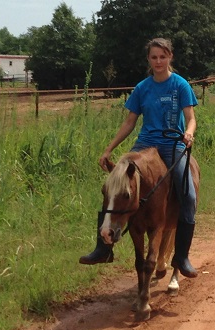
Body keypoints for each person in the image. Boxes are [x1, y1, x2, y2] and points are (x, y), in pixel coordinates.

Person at [79, 37, 198, 278]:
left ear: (170, 58)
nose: (158, 61)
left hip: (172, 143)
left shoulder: (180, 85)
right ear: (148, 59)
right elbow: (130, 122)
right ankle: (103, 248)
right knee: (114, 187)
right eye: (154, 57)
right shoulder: (142, 87)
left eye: (162, 57)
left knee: (188, 193)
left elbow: (191, 117)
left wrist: (188, 133)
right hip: (145, 144)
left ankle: (182, 256)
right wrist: (109, 149)